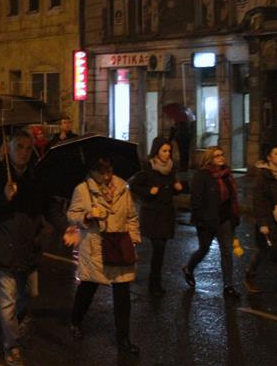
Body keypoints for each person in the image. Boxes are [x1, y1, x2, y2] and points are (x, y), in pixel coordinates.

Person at [0, 130, 77, 365]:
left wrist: (65, 227)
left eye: (28, 148)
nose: (23, 152)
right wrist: (3, 197)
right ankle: (12, 347)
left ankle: (15, 327)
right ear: (9, 148)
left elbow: (50, 207)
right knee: (7, 303)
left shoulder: (37, 175)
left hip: (29, 249)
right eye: (18, 147)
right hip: (3, 249)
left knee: (26, 297)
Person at [68, 156, 141, 355]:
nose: (106, 176)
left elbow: (132, 216)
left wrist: (133, 239)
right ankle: (76, 320)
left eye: (108, 170)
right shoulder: (82, 190)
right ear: (92, 171)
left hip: (119, 247)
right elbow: (72, 214)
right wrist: (87, 215)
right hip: (95, 248)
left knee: (122, 295)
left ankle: (123, 339)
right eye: (101, 172)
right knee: (88, 288)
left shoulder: (122, 188)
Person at [128, 137, 185, 296]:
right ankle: (153, 285)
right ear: (157, 151)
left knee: (161, 252)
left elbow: (171, 188)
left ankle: (156, 284)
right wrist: (149, 191)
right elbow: (134, 186)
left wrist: (178, 188)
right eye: (164, 151)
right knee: (158, 249)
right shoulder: (148, 168)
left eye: (169, 151)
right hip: (152, 215)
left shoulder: (171, 168)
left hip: (166, 214)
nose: (167, 154)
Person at [182, 146, 241, 298]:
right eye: (217, 156)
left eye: (222, 154)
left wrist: (234, 216)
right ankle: (189, 268)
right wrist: (203, 219)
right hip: (207, 220)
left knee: (227, 252)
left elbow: (232, 199)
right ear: (210, 159)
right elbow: (196, 201)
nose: (221, 158)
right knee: (204, 249)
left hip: (224, 219)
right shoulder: (202, 176)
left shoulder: (226, 175)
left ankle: (228, 286)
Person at [248, 144, 277, 283]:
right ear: (269, 157)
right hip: (270, 222)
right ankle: (251, 271)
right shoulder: (263, 177)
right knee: (263, 251)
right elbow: (259, 202)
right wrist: (263, 224)